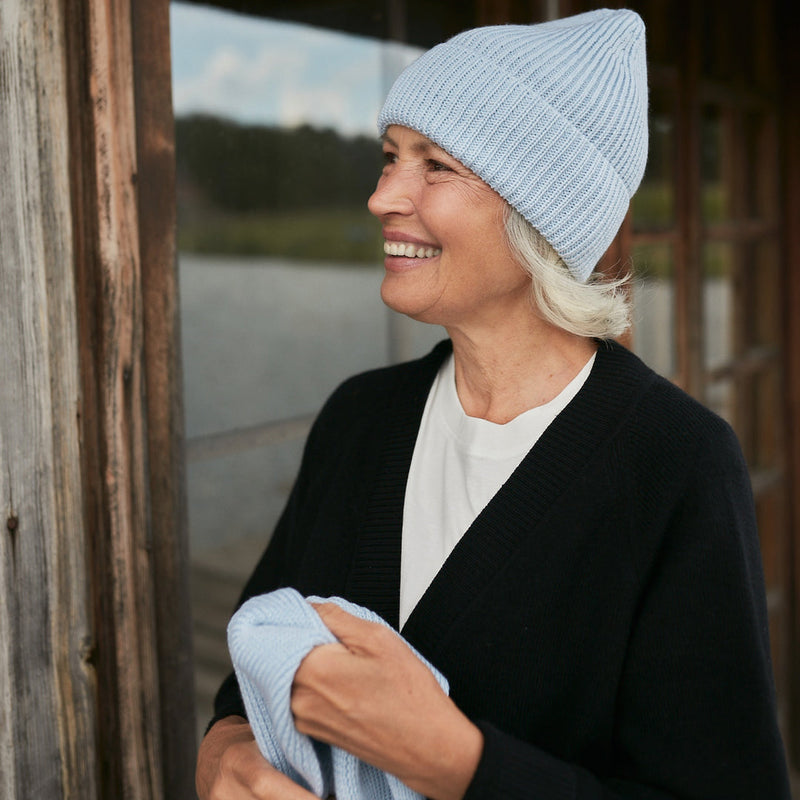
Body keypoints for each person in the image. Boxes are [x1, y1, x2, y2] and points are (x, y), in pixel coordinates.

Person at [196, 9, 792, 800]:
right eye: (389, 157)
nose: (381, 197)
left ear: (539, 213)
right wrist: (225, 751)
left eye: (434, 164)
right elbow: (250, 677)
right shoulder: (359, 419)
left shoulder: (676, 464)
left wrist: (460, 763)